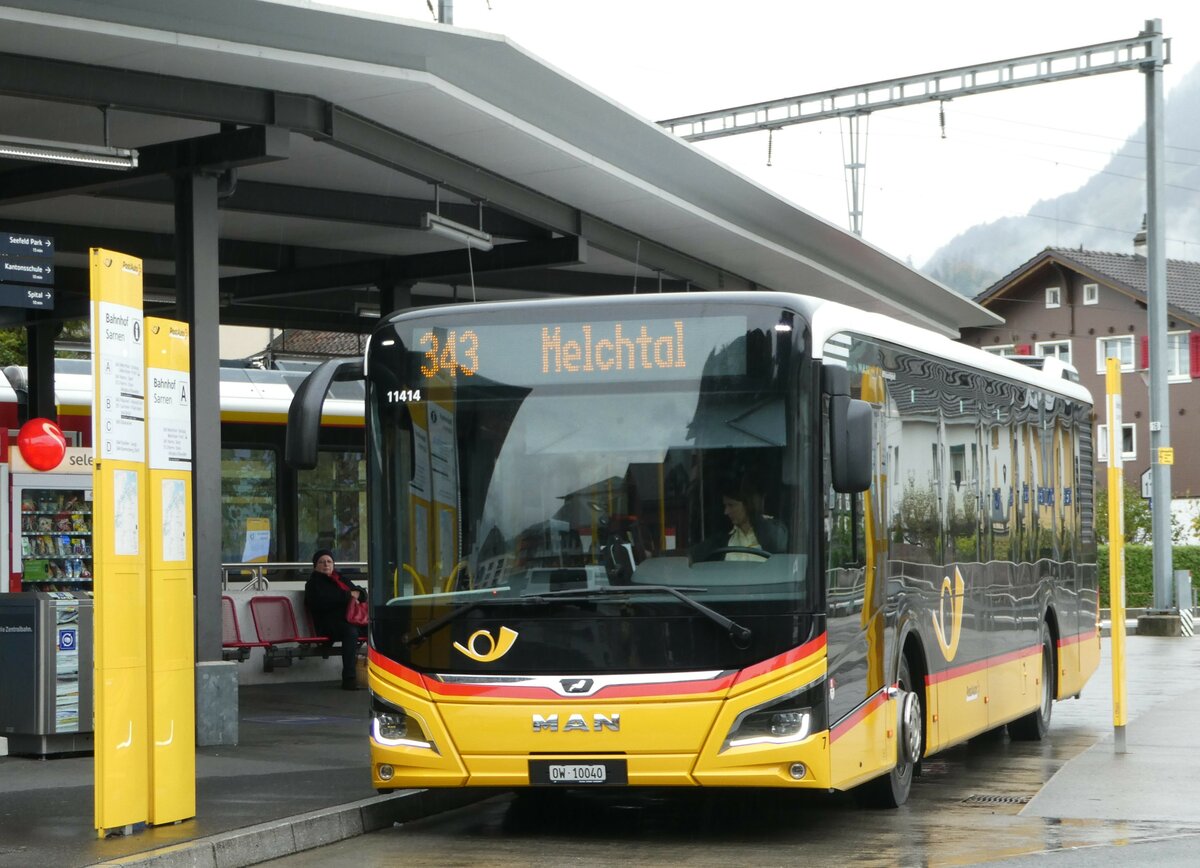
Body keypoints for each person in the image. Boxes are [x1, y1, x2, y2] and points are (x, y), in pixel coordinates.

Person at [304, 549, 365, 690]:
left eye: (329, 561)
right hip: (327, 624)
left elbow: (361, 593)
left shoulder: (340, 579)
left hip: (350, 620)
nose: (326, 564)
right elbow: (322, 602)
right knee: (350, 632)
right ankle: (349, 678)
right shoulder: (313, 584)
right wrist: (349, 596)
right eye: (322, 562)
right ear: (315, 566)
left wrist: (356, 594)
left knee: (376, 627)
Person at [691, 476, 787, 562]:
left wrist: (755, 516)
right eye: (725, 506)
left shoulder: (775, 531)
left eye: (731, 505)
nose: (726, 512)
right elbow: (692, 556)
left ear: (748, 504)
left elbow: (777, 546)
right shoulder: (722, 540)